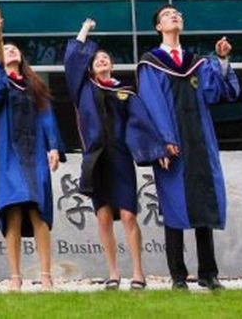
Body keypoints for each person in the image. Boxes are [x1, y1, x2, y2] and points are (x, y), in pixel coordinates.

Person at [136, 4, 241, 291]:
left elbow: (218, 93)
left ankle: (209, 273)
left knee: (204, 204)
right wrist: (164, 142)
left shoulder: (198, 62)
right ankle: (178, 276)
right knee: (174, 207)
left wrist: (221, 59)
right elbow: (152, 104)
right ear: (158, 26)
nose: (175, 16)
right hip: (173, 146)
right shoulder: (150, 62)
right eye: (168, 15)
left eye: (178, 14)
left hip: (200, 142)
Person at [63, 17, 166, 291]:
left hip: (120, 158)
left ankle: (138, 273)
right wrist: (84, 29)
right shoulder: (83, 89)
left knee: (129, 215)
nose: (101, 60)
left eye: (105, 58)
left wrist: (157, 150)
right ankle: (112, 272)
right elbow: (72, 59)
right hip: (96, 160)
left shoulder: (124, 92)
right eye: (96, 59)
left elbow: (140, 122)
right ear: (90, 67)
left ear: (112, 65)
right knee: (104, 216)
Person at [0, 5, 63, 291]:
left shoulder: (35, 87)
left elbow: (47, 118)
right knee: (13, 210)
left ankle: (45, 275)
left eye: (15, 49)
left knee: (38, 211)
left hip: (35, 156)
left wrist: (53, 146)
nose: (12, 51)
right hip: (9, 155)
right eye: (7, 50)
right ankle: (15, 276)